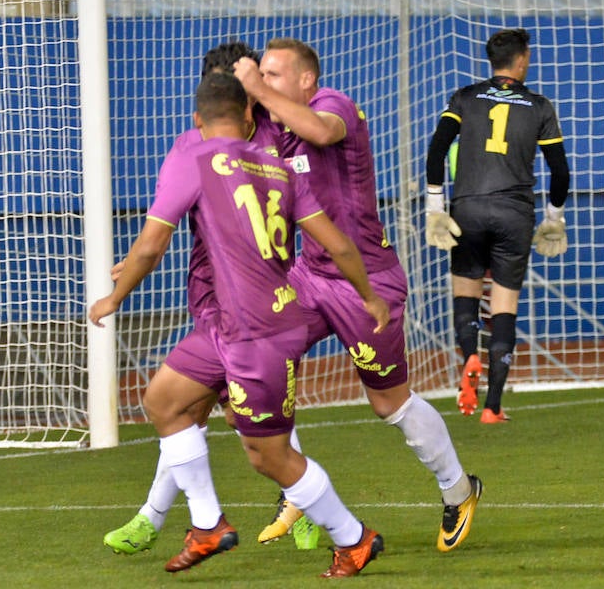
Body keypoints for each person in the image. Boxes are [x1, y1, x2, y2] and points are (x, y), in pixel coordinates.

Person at [90, 72, 389, 578]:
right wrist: (369, 297)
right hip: (237, 325)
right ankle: (207, 524)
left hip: (256, 334)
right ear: (250, 116)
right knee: (163, 400)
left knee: (268, 457)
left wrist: (113, 298)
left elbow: (150, 246)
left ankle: (354, 538)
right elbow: (338, 243)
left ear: (196, 120)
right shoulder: (278, 166)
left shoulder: (194, 157)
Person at [234, 38, 482, 553]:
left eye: (274, 75)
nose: (264, 83)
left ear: (306, 80)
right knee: (248, 356)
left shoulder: (333, 106)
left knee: (387, 402)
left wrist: (257, 90)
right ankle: (295, 489)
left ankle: (459, 490)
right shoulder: (272, 128)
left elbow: (320, 131)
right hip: (309, 274)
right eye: (261, 75)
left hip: (367, 279)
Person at [100, 41, 297, 557]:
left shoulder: (280, 138)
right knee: (193, 409)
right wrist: (136, 259)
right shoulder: (193, 147)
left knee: (201, 410)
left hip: (262, 306)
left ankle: (303, 508)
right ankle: (163, 516)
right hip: (215, 301)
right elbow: (159, 228)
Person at [424, 28, 571, 423]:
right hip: (514, 213)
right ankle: (492, 406)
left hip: (468, 207)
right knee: (504, 305)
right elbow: (560, 171)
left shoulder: (465, 98)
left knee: (466, 294)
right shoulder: (539, 106)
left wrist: (435, 207)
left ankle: (469, 354)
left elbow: (437, 149)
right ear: (522, 59)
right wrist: (554, 219)